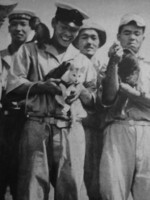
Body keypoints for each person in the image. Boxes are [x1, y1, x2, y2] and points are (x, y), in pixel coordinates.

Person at [6, 2, 97, 200]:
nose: (68, 34)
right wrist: (42, 86)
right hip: (37, 126)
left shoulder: (82, 60)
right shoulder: (30, 51)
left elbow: (93, 101)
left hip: (71, 128)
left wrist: (80, 90)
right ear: (54, 23)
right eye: (64, 27)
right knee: (32, 190)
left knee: (70, 190)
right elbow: (12, 88)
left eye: (74, 30)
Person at [99, 13, 150, 200]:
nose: (132, 37)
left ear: (143, 37)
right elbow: (108, 99)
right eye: (127, 33)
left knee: (147, 190)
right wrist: (114, 62)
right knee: (113, 190)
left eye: (137, 33)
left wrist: (133, 94)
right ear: (118, 37)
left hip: (147, 129)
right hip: (118, 128)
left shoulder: (149, 66)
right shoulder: (107, 64)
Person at [0, 9, 35, 200]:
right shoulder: (2, 57)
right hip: (3, 123)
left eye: (24, 25)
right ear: (9, 28)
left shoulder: (37, 57)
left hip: (27, 122)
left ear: (31, 29)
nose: (18, 29)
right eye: (14, 24)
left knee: (23, 181)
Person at [74, 19, 107, 200]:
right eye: (84, 37)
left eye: (94, 38)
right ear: (76, 41)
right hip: (79, 127)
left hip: (100, 128)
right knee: (80, 178)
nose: (89, 42)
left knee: (99, 179)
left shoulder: (103, 65)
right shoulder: (73, 62)